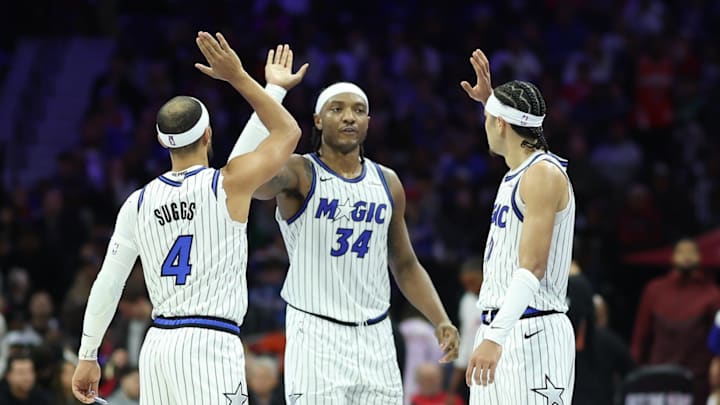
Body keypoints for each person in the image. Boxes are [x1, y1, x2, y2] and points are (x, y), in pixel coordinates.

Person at [70, 32, 303, 405]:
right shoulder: (229, 184)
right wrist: (244, 78)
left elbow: (107, 283)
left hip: (158, 347)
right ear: (209, 134)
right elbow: (287, 131)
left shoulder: (137, 202)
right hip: (211, 345)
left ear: (163, 142)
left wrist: (87, 354)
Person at [232, 74, 460, 403]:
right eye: (336, 109)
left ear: (368, 121)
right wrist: (273, 90)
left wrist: (440, 319)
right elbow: (243, 177)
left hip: (376, 334)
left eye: (358, 110)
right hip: (316, 332)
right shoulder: (300, 172)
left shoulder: (388, 182)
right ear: (318, 120)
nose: (349, 116)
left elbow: (405, 263)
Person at [460, 49, 576, 404]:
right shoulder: (519, 173)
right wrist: (489, 99)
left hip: (531, 332)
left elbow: (532, 269)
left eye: (489, 117)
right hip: (503, 328)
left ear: (501, 124)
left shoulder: (542, 174)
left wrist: (495, 336)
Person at [632, 237, 720, 405]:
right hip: (658, 377)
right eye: (682, 252)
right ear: (672, 257)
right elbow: (640, 336)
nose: (686, 256)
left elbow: (717, 345)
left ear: (699, 257)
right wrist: (635, 372)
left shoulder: (713, 295)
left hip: (696, 380)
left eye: (691, 252)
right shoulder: (654, 290)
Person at [447, 257, 483, 404]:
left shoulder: (502, 296)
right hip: (475, 368)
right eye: (465, 284)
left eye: (473, 282)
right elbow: (466, 343)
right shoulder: (467, 301)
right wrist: (452, 389)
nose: (469, 287)